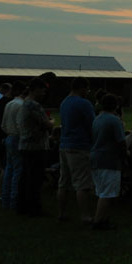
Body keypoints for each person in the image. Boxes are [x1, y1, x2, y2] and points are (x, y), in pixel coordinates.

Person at [56, 77, 95, 224]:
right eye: (87, 89)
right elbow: (93, 124)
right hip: (79, 146)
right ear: (83, 88)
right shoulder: (84, 103)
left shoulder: (64, 102)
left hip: (64, 145)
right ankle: (85, 216)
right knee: (82, 183)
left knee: (63, 182)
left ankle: (61, 213)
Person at [17, 77, 54, 215]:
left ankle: (22, 206)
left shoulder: (25, 103)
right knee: (35, 180)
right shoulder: (33, 105)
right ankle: (34, 208)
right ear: (34, 89)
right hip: (36, 147)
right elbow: (47, 125)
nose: (44, 93)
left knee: (25, 178)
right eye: (42, 90)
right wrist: (52, 121)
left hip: (25, 145)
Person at [90, 93, 127, 229]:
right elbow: (121, 141)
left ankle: (103, 218)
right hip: (109, 159)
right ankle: (98, 221)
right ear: (116, 105)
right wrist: (125, 157)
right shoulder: (114, 120)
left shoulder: (97, 119)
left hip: (95, 157)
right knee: (107, 193)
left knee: (101, 191)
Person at [0, 84, 27, 209]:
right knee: (17, 170)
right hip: (16, 138)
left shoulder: (9, 104)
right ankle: (14, 200)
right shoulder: (21, 106)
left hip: (8, 137)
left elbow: (3, 124)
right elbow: (20, 125)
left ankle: (5, 198)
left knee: (9, 169)